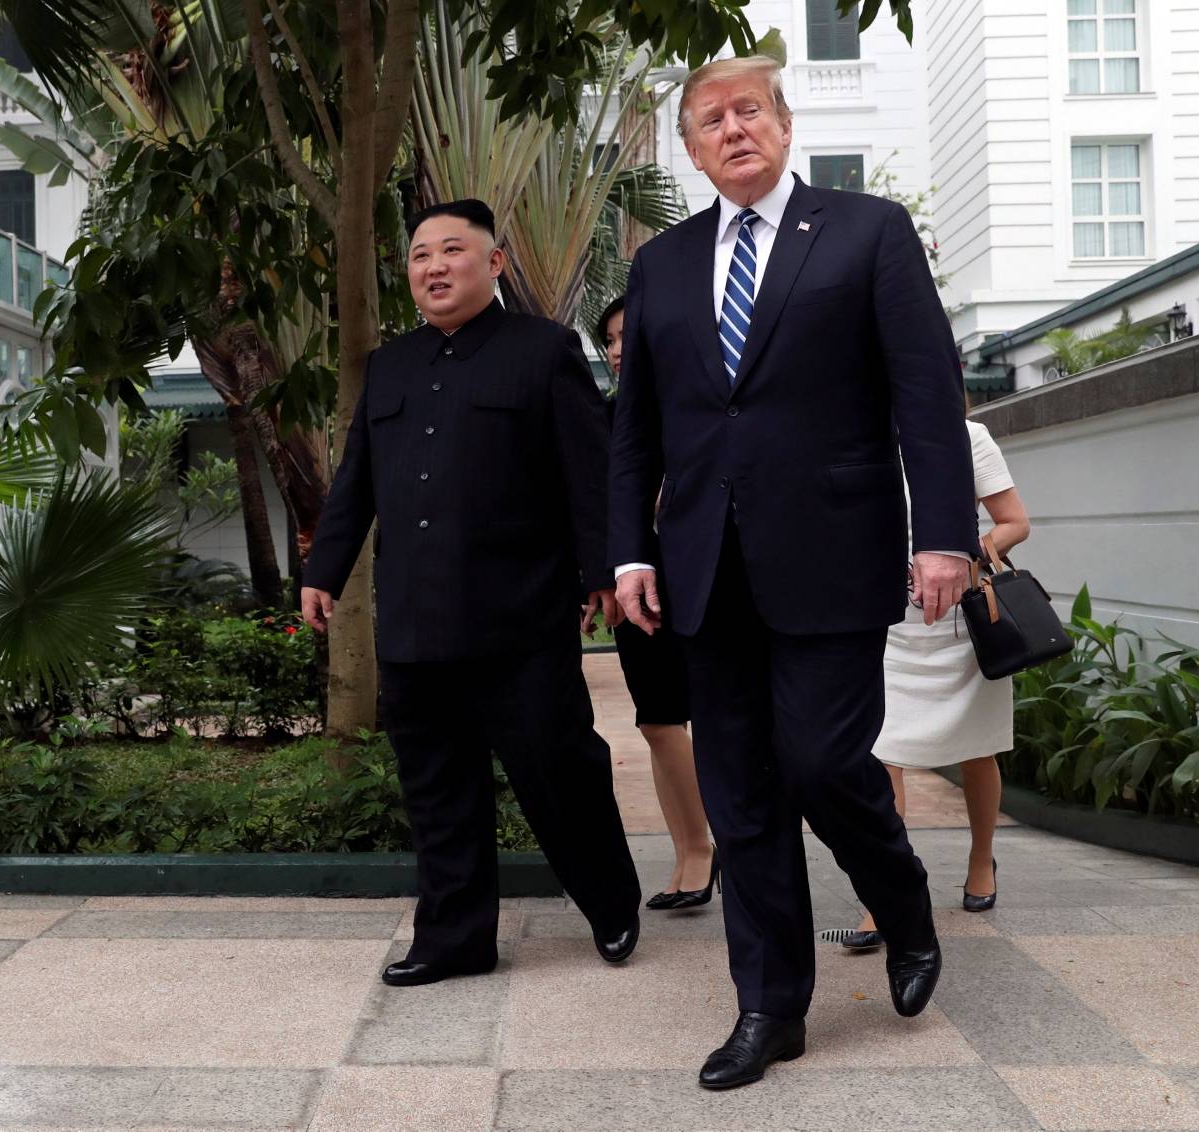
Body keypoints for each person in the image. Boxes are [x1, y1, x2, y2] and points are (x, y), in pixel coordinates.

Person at [608, 56, 978, 1091]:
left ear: (781, 124)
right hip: (703, 567)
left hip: (833, 548)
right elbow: (635, 426)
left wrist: (943, 534)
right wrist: (630, 548)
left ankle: (898, 895)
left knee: (819, 761)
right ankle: (769, 1005)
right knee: (744, 795)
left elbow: (925, 395)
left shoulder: (865, 232)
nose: (732, 130)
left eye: (748, 112)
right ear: (689, 148)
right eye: (709, 121)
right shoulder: (664, 264)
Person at [302, 198, 642, 988]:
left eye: (453, 251)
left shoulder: (544, 351)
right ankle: (454, 939)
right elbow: (357, 482)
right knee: (437, 789)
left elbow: (587, 474)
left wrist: (602, 574)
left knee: (559, 772)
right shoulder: (389, 365)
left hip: (520, 618)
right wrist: (324, 571)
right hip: (416, 624)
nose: (434, 267)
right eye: (420, 255)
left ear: (492, 264)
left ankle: (612, 902)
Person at [839, 418, 1030, 951]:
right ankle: (884, 894)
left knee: (977, 750)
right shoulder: (852, 428)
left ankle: (980, 859)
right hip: (885, 620)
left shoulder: (968, 436)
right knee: (882, 752)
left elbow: (1014, 522)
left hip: (963, 619)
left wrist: (965, 560)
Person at [597, 297, 718, 910]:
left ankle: (708, 848)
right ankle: (690, 851)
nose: (619, 348)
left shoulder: (694, 401)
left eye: (628, 336)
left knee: (693, 718)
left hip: (698, 574)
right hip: (633, 583)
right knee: (656, 720)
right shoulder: (609, 414)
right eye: (610, 340)